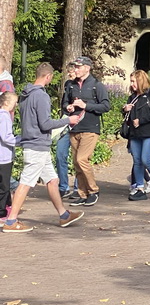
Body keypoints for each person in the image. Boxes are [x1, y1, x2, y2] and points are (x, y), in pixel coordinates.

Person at [4, 63, 84, 233]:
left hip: (35, 144)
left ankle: (63, 215)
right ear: (48, 77)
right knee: (25, 183)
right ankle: (11, 221)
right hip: (37, 145)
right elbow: (45, 123)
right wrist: (67, 120)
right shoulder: (41, 96)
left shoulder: (25, 94)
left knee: (52, 180)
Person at [63, 56, 111, 207]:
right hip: (74, 128)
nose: (76, 69)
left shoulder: (97, 85)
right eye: (75, 67)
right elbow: (64, 102)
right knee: (77, 163)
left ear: (87, 68)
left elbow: (105, 106)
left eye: (78, 67)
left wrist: (86, 105)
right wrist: (68, 107)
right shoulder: (71, 85)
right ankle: (83, 194)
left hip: (90, 128)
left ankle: (93, 190)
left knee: (82, 159)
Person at [123, 70, 150, 201]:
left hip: (149, 132)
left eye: (133, 81)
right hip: (135, 134)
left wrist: (140, 120)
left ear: (140, 81)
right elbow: (128, 117)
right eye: (131, 81)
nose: (131, 84)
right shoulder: (132, 97)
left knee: (145, 159)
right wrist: (125, 110)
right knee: (137, 161)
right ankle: (140, 189)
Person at [55, 63, 76, 198]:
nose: (70, 75)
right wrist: (67, 106)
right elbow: (64, 102)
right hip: (67, 123)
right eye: (68, 72)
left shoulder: (88, 85)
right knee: (60, 154)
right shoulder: (68, 84)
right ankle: (63, 186)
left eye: (72, 72)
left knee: (79, 158)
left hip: (80, 124)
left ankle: (79, 188)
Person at [0, 91, 16, 219]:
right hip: (4, 156)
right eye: (14, 103)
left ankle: (7, 205)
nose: (15, 106)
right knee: (4, 185)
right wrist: (20, 140)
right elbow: (6, 137)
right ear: (6, 103)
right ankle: (2, 212)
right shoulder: (4, 116)